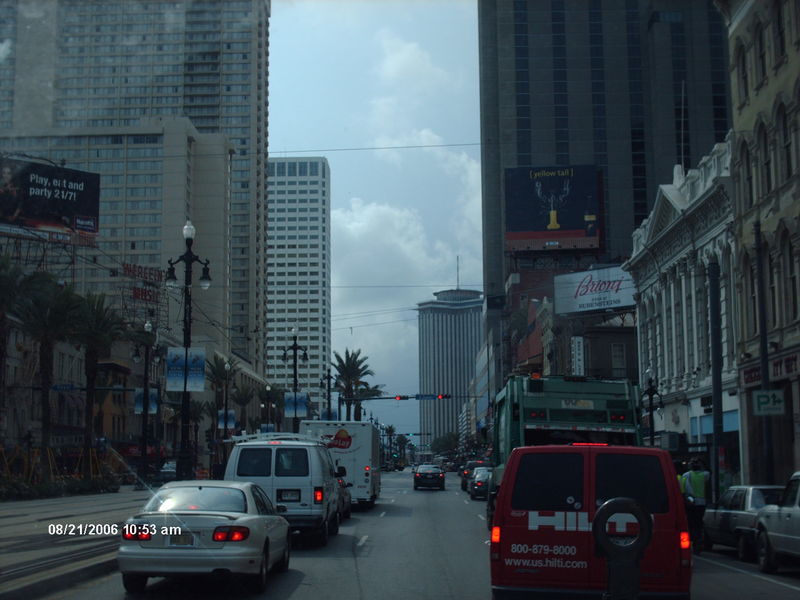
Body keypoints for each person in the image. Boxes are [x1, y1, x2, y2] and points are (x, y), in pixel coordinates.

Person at [683, 458, 711, 553]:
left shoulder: (686, 475)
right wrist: (702, 463)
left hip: (691, 502)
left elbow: (685, 488)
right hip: (701, 502)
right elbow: (709, 471)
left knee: (691, 522)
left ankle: (693, 540)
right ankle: (697, 541)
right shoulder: (705, 475)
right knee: (698, 523)